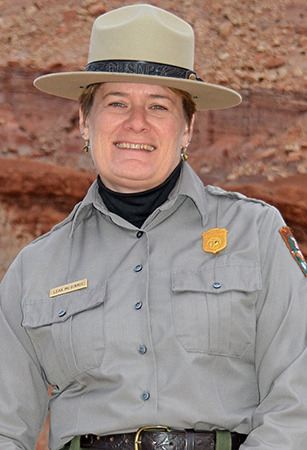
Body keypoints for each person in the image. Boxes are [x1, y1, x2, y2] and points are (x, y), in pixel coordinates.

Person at [1, 4, 307, 450]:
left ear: (187, 128)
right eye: (117, 103)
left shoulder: (256, 234)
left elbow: (297, 399)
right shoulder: (35, 268)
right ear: (85, 123)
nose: (136, 122)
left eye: (158, 105)